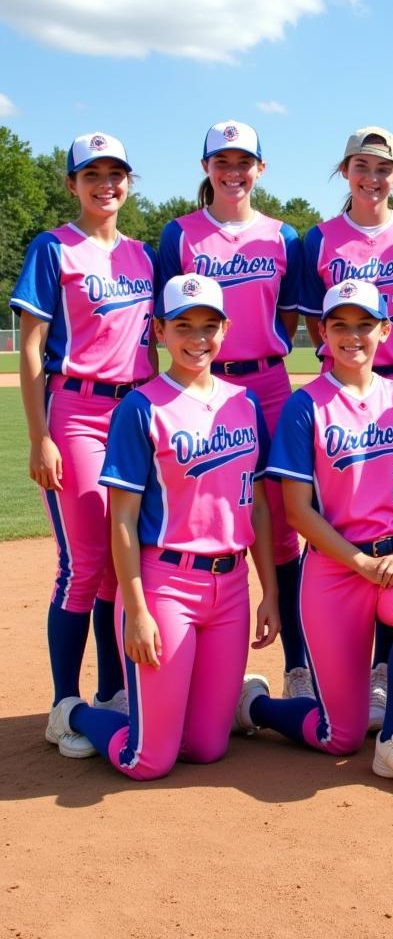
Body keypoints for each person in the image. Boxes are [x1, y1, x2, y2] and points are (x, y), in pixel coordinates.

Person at [46, 274, 280, 779]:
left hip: (232, 587)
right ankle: (76, 712)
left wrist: (270, 593)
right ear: (159, 330)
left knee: (206, 748)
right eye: (183, 326)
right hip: (165, 587)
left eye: (209, 326)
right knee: (148, 760)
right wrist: (136, 610)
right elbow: (123, 520)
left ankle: (213, 701)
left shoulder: (245, 402)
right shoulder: (140, 407)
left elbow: (259, 506)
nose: (198, 339)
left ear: (226, 329)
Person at [236, 280, 393, 792]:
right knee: (340, 735)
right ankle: (255, 705)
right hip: (333, 567)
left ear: (385, 330)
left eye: (364, 324)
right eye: (340, 325)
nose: (353, 335)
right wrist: (358, 562)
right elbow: (296, 510)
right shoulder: (305, 406)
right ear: (323, 333)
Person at [11, 132, 155, 757]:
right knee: (83, 565)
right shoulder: (54, 248)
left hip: (134, 412)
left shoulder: (144, 257)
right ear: (72, 184)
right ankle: (63, 706)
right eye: (92, 173)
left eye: (116, 173)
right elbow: (31, 346)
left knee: (122, 569)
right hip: (76, 411)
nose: (106, 184)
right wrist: (40, 436)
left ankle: (115, 692)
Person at [156, 121, 309, 700]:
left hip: (266, 386)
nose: (233, 171)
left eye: (244, 161)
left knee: (281, 524)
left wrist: (258, 356)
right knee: (199, 513)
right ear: (206, 169)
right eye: (222, 161)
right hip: (200, 384)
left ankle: (297, 666)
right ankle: (188, 645)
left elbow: (287, 320)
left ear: (261, 169)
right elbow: (172, 316)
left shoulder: (283, 236)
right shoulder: (181, 234)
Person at [299, 127, 393, 729]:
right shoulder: (320, 238)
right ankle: (332, 659)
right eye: (361, 165)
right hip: (341, 378)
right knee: (346, 495)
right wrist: (347, 359)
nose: (372, 177)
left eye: (383, 168)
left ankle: (387, 667)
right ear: (345, 170)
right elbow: (311, 322)